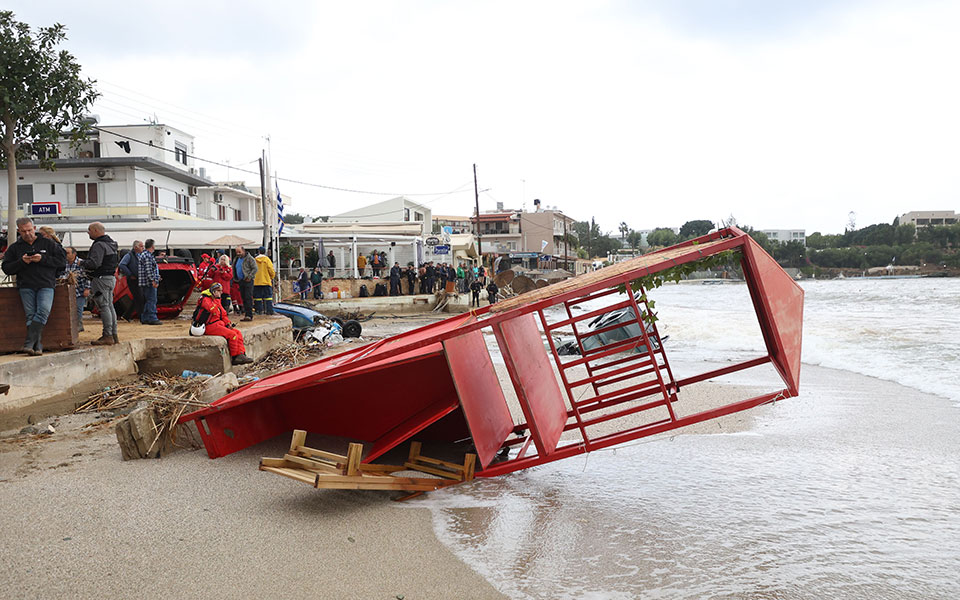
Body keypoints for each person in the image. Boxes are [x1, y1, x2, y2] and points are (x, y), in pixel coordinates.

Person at [1, 217, 66, 355]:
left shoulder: (48, 244)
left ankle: (29, 342)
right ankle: (37, 346)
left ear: (34, 228)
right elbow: (6, 268)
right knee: (30, 315)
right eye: (24, 231)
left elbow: (61, 262)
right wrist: (22, 262)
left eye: (30, 230)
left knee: (43, 311)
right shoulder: (14, 248)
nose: (27, 233)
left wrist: (42, 259)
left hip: (46, 284)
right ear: (19, 231)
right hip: (26, 285)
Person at [195, 283, 253, 365]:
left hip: (218, 324)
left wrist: (228, 323)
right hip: (209, 325)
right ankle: (235, 357)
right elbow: (213, 310)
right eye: (219, 291)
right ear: (214, 291)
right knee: (232, 335)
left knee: (238, 333)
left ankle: (241, 354)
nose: (221, 293)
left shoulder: (216, 299)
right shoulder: (205, 299)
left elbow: (223, 314)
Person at [63, 246, 90, 332]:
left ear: (74, 254)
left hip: (80, 290)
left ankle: (79, 325)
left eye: (67, 253)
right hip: (68, 291)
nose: (66, 255)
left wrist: (87, 288)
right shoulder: (63, 263)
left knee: (78, 309)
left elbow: (88, 276)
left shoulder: (81, 263)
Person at [117, 241, 144, 321]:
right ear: (135, 247)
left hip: (139, 279)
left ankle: (127, 315)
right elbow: (122, 264)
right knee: (139, 298)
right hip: (133, 280)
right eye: (141, 246)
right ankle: (141, 317)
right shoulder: (129, 255)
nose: (143, 248)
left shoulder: (140, 255)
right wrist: (130, 274)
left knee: (138, 298)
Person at [137, 238, 162, 326]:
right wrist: (153, 280)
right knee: (152, 299)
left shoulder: (144, 255)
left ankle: (145, 317)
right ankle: (152, 317)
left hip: (146, 282)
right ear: (152, 246)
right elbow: (149, 270)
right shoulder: (147, 256)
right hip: (148, 282)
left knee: (148, 300)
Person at [233, 245, 256, 321]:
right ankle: (246, 314)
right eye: (237, 252)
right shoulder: (236, 259)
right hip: (240, 280)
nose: (238, 253)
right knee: (243, 298)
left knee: (248, 297)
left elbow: (255, 268)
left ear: (243, 251)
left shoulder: (249, 258)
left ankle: (249, 315)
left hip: (248, 280)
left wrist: (249, 276)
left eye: (239, 252)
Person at [253, 246, 276, 315]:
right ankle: (269, 311)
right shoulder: (267, 260)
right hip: (266, 281)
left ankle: (259, 310)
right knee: (268, 297)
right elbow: (271, 270)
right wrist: (271, 277)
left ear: (258, 252)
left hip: (256, 282)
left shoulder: (254, 260)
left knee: (257, 297)